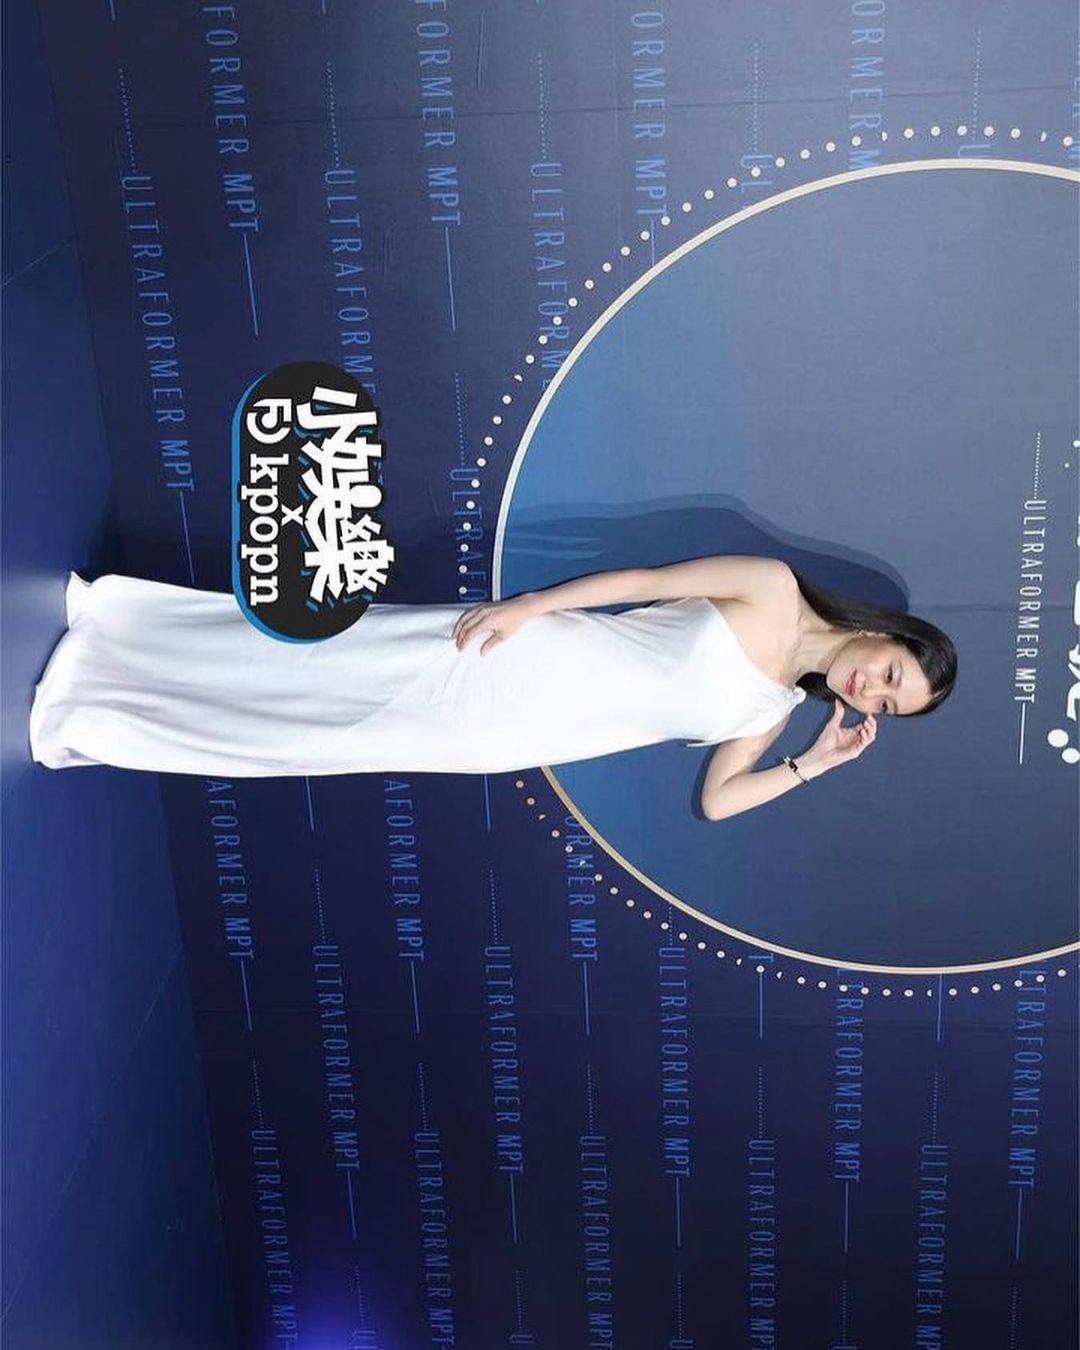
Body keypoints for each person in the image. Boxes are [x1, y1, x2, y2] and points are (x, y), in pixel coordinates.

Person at [27, 557, 956, 815]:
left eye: (885, 704)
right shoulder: (773, 587)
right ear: (887, 633)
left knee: (307, 738)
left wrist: (815, 765)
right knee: (317, 660)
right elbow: (644, 581)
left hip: (498, 736)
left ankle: (100, 713)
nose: (869, 690)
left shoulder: (773, 710)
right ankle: (120, 633)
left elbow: (718, 802)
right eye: (891, 673)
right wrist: (530, 607)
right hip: (512, 654)